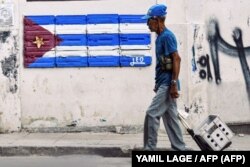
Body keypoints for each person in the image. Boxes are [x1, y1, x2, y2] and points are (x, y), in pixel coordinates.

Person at [142, 4, 186, 151]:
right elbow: (163, 63)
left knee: (152, 113)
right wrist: (157, 82)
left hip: (168, 84)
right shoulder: (160, 37)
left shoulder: (167, 36)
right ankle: (180, 148)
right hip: (164, 83)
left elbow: (176, 59)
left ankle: (150, 149)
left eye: (149, 20)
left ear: (157, 20)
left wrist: (173, 83)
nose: (147, 24)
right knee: (171, 118)